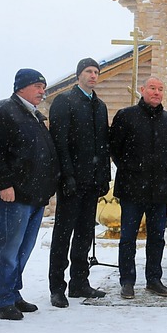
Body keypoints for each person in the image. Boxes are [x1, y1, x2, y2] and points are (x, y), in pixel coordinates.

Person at [0, 69, 59, 320]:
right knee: (8, 248)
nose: (42, 91)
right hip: (14, 195)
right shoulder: (3, 111)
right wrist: (4, 184)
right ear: (20, 87)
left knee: (23, 248)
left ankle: (13, 293)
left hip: (34, 195)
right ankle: (1, 300)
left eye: (43, 86)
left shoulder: (36, 116)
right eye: (37, 86)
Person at [48, 58, 111, 308]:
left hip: (92, 181)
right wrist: (67, 176)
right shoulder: (65, 101)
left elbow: (102, 144)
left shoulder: (99, 105)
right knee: (63, 234)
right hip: (71, 181)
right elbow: (59, 142)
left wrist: (104, 176)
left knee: (85, 234)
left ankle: (79, 282)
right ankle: (57, 287)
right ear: (79, 75)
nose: (93, 75)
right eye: (88, 71)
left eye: (96, 72)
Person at [110, 76, 167, 299]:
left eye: (160, 89)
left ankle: (154, 279)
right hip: (132, 188)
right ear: (142, 90)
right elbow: (116, 150)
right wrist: (133, 170)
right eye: (152, 88)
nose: (156, 92)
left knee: (157, 237)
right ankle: (127, 281)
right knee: (128, 237)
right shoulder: (126, 116)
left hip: (158, 189)